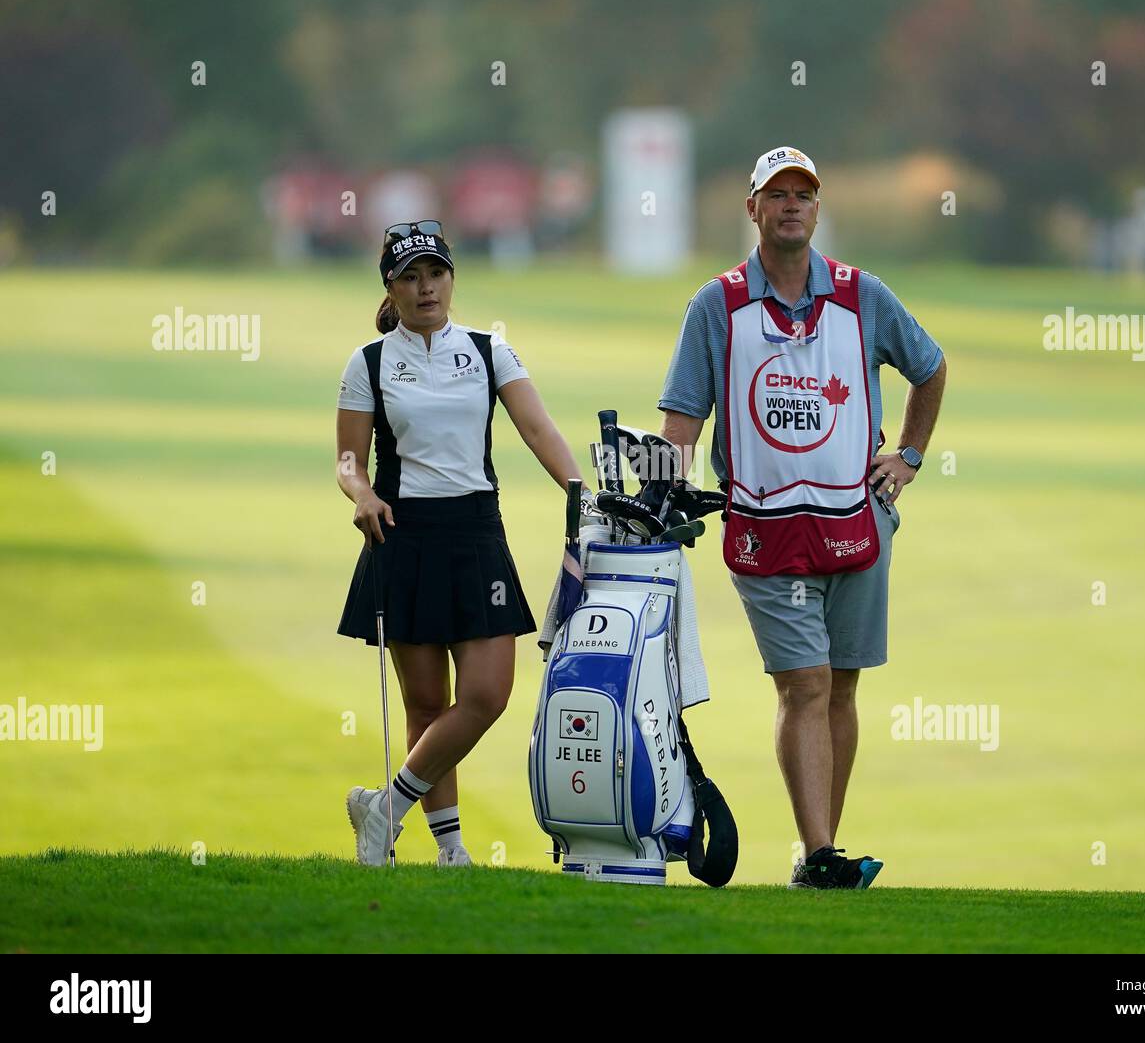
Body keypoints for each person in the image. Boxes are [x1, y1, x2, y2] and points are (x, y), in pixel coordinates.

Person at [657, 148, 947, 889]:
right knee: (806, 684)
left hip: (858, 522)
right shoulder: (715, 305)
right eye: (775, 194)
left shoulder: (862, 295)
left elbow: (930, 364)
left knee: (842, 685)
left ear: (818, 210)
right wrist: (664, 497)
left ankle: (820, 850)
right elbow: (681, 424)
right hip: (763, 527)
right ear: (752, 209)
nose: (790, 205)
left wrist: (908, 455)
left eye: (803, 195)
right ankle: (819, 853)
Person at [336, 220, 585, 867]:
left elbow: (538, 427)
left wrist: (580, 488)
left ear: (452, 277)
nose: (426, 288)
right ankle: (451, 851)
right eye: (411, 277)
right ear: (391, 286)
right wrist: (360, 494)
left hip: (476, 534)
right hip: (404, 535)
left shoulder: (487, 349)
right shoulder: (368, 362)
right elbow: (347, 459)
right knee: (426, 703)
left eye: (436, 273)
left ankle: (383, 807)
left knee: (486, 694)